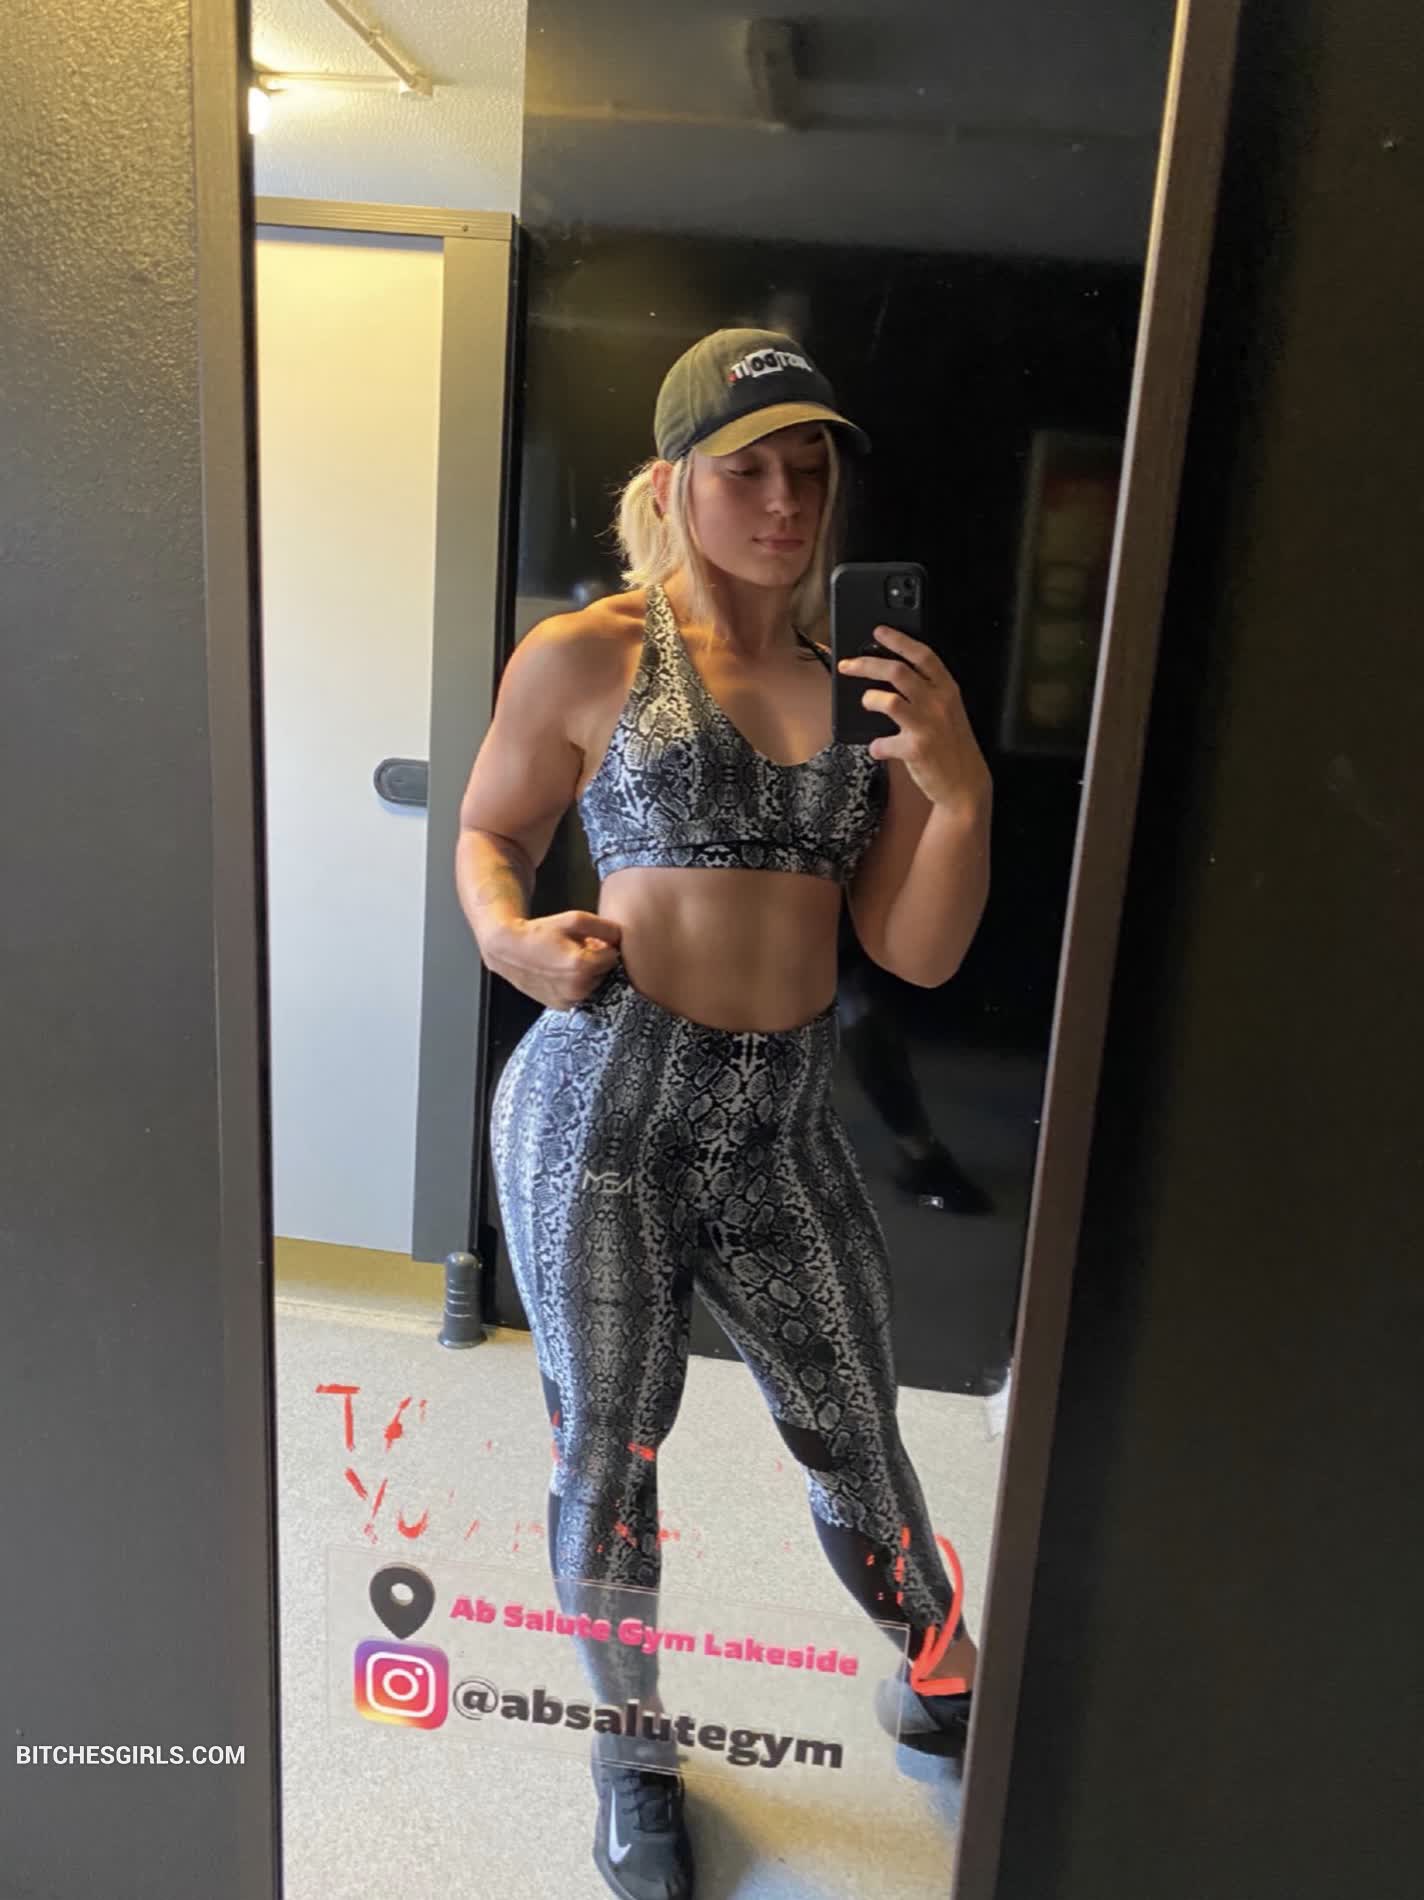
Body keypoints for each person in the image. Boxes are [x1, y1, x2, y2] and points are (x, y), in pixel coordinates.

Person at [456, 327, 993, 1900]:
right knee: (609, 1451)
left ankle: (946, 1675)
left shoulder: (868, 686)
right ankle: (629, 1756)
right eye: (747, 469)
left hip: (782, 1127)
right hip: (600, 1113)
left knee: (860, 1436)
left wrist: (958, 790)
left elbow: (913, 948)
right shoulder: (590, 654)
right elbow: (493, 829)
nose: (783, 502)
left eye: (809, 469)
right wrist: (506, 936)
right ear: (675, 481)